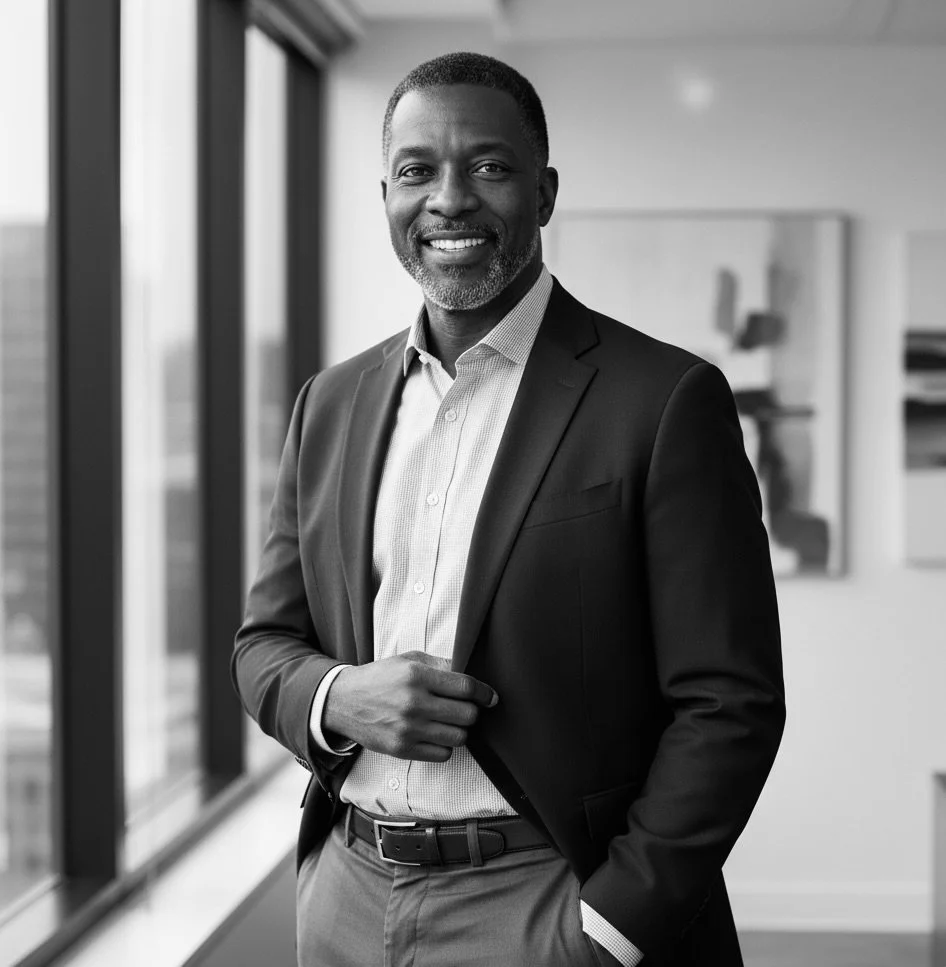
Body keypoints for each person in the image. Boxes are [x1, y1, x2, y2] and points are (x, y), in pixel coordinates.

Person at [231, 51, 785, 967]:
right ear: (386, 197)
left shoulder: (664, 398)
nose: (449, 199)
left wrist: (606, 931)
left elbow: (730, 701)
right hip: (345, 892)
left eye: (488, 166)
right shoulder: (328, 404)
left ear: (545, 191)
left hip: (542, 901)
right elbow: (262, 647)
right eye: (417, 171)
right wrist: (340, 696)